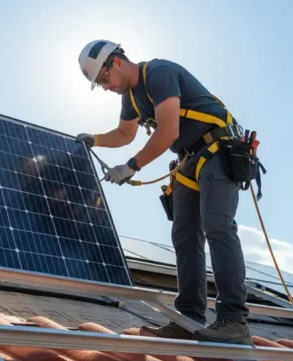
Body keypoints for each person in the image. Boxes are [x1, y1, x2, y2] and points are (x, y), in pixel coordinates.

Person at [75, 39, 253, 345]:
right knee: (184, 235)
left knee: (218, 227)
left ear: (116, 62)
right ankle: (188, 318)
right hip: (188, 160)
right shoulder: (130, 98)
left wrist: (131, 167)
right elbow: (124, 134)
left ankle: (233, 321)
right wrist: (95, 140)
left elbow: (167, 131)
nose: (105, 87)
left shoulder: (159, 73)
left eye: (103, 79)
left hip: (217, 149)